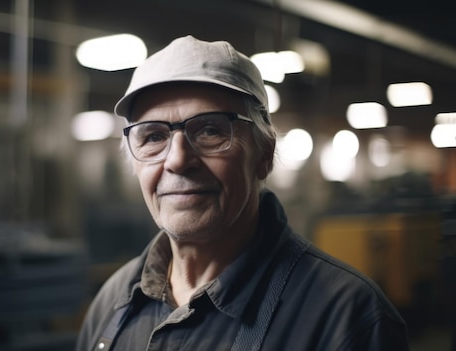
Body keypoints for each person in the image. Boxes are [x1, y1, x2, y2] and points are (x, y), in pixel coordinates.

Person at [76, 35, 409, 351]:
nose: (178, 159)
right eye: (153, 137)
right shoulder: (113, 301)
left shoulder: (347, 317)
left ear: (263, 155)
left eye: (210, 130)